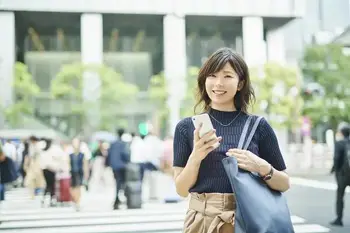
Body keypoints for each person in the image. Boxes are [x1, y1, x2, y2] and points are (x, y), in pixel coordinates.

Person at [172, 48, 290, 233]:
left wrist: (260, 167)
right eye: (212, 75)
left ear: (240, 83)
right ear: (204, 80)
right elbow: (181, 190)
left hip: (245, 219)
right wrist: (196, 156)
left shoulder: (258, 126)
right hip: (201, 221)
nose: (218, 83)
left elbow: (284, 183)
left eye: (227, 76)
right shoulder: (186, 128)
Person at [330, 123, 350, 227]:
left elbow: (337, 158)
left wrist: (335, 169)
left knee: (340, 196)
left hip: (343, 174)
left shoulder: (339, 143)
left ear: (342, 133)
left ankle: (339, 219)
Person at [106, 128, 130, 210]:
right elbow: (125, 154)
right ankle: (120, 198)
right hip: (122, 166)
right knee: (122, 182)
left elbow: (108, 154)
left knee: (117, 182)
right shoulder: (124, 144)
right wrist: (128, 161)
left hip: (114, 166)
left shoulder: (113, 144)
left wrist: (108, 164)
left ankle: (117, 198)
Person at [68, 137, 89, 211]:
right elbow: (67, 164)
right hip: (72, 173)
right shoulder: (70, 155)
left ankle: (78, 202)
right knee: (72, 188)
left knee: (78, 187)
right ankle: (75, 201)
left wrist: (86, 175)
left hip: (80, 173)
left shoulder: (82, 155)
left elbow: (85, 165)